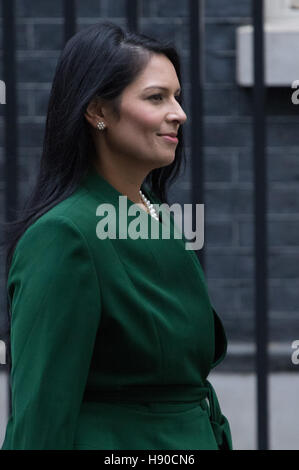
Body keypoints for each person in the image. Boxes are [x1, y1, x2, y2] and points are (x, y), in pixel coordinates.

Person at [1, 21, 233, 450]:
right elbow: (41, 414)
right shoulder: (63, 235)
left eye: (176, 96)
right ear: (98, 112)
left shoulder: (154, 214)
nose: (178, 113)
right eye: (156, 97)